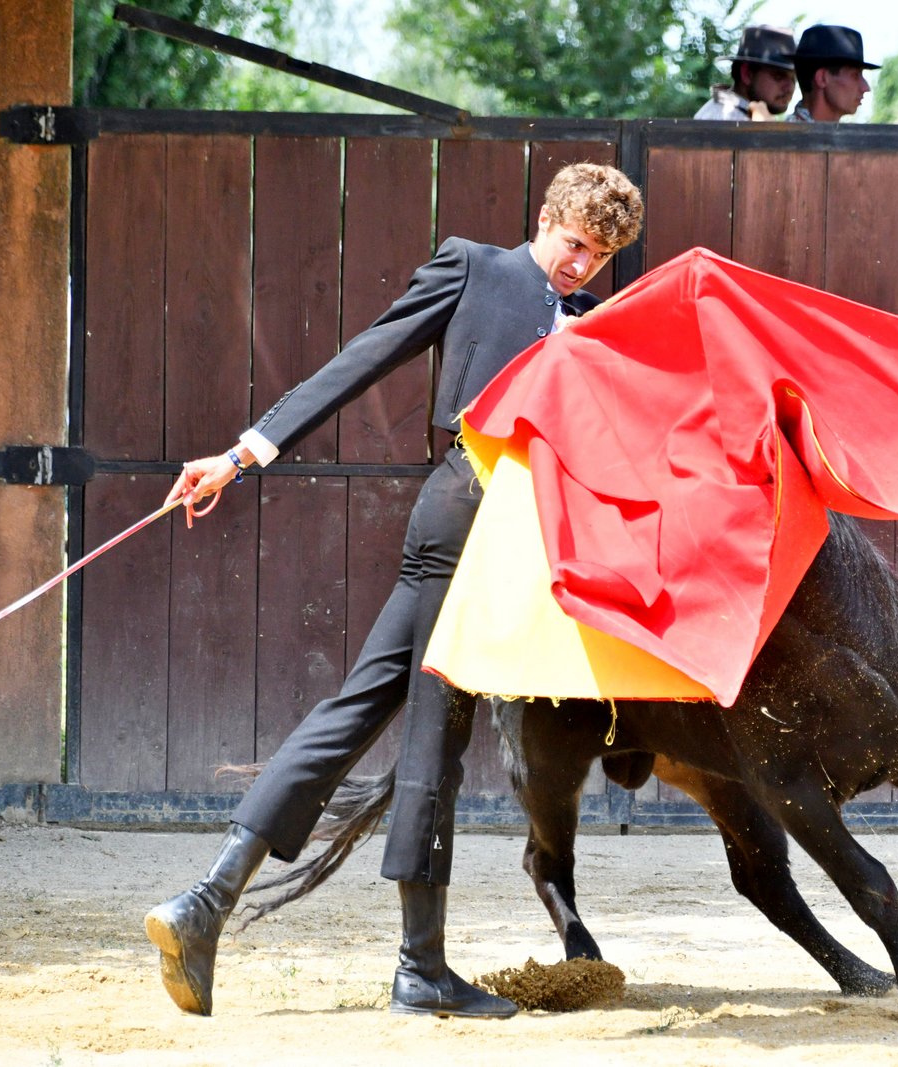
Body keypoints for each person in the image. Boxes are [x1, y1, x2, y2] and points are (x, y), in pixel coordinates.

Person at [143, 163, 645, 1021]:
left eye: (599, 258)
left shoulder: (593, 324)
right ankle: (418, 969)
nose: (581, 267)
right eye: (575, 245)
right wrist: (242, 453)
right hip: (463, 519)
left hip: (511, 538)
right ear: (547, 218)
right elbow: (363, 357)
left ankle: (205, 903)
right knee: (435, 737)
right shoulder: (475, 268)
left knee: (359, 706)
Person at [694, 24, 797, 121]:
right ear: (747, 74)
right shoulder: (729, 121)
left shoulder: (738, 115)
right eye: (778, 76)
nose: (790, 88)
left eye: (794, 78)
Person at [785, 24, 879, 124]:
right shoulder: (787, 138)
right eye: (855, 75)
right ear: (822, 78)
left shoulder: (790, 135)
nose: (865, 87)